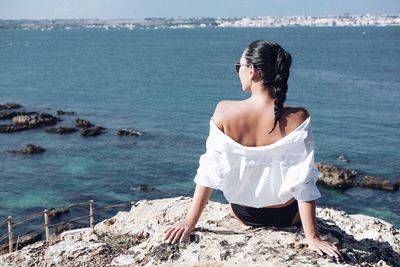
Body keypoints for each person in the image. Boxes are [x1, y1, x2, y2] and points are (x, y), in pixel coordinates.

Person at [164, 40, 341, 258]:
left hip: (243, 213)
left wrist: (189, 222)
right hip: (286, 215)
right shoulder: (298, 117)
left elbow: (209, 173)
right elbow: (303, 181)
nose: (237, 72)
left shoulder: (224, 111)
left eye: (238, 67)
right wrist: (312, 237)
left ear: (252, 71)